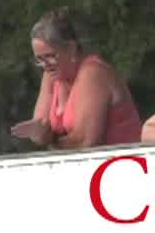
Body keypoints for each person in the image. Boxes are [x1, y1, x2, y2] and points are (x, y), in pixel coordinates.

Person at [10, 10, 143, 150]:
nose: (45, 65)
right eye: (39, 59)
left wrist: (50, 139)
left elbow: (84, 142)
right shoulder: (50, 74)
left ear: (71, 48)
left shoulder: (93, 73)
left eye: (50, 56)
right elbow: (40, 130)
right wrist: (39, 132)